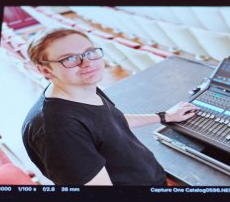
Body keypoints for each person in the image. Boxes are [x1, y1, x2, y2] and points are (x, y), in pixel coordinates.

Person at [21, 28, 196, 186]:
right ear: (45, 70)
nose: (87, 63)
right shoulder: (56, 130)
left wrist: (164, 116)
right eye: (70, 59)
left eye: (89, 52)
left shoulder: (80, 86)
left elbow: (109, 122)